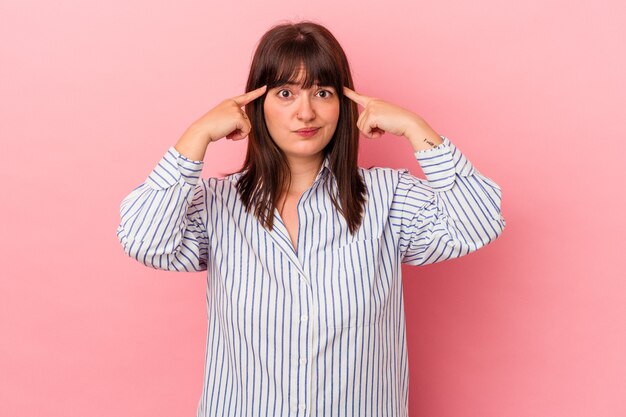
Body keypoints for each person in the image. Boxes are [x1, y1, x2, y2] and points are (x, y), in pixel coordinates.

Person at [116, 20, 505, 417]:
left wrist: (414, 128)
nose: (306, 112)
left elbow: (479, 222)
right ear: (256, 105)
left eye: (322, 92)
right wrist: (194, 138)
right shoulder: (218, 205)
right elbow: (145, 241)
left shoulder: (388, 199)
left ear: (343, 104)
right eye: (286, 93)